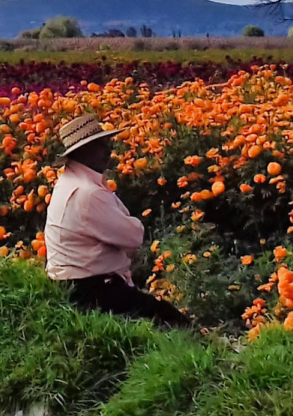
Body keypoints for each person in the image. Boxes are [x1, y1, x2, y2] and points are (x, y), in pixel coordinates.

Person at [45, 114, 188, 327]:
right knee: (175, 323)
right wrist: (131, 222)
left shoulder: (69, 181)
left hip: (73, 286)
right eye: (101, 145)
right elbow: (134, 236)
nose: (108, 150)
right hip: (91, 292)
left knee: (160, 311)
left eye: (107, 142)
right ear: (82, 151)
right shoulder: (88, 193)